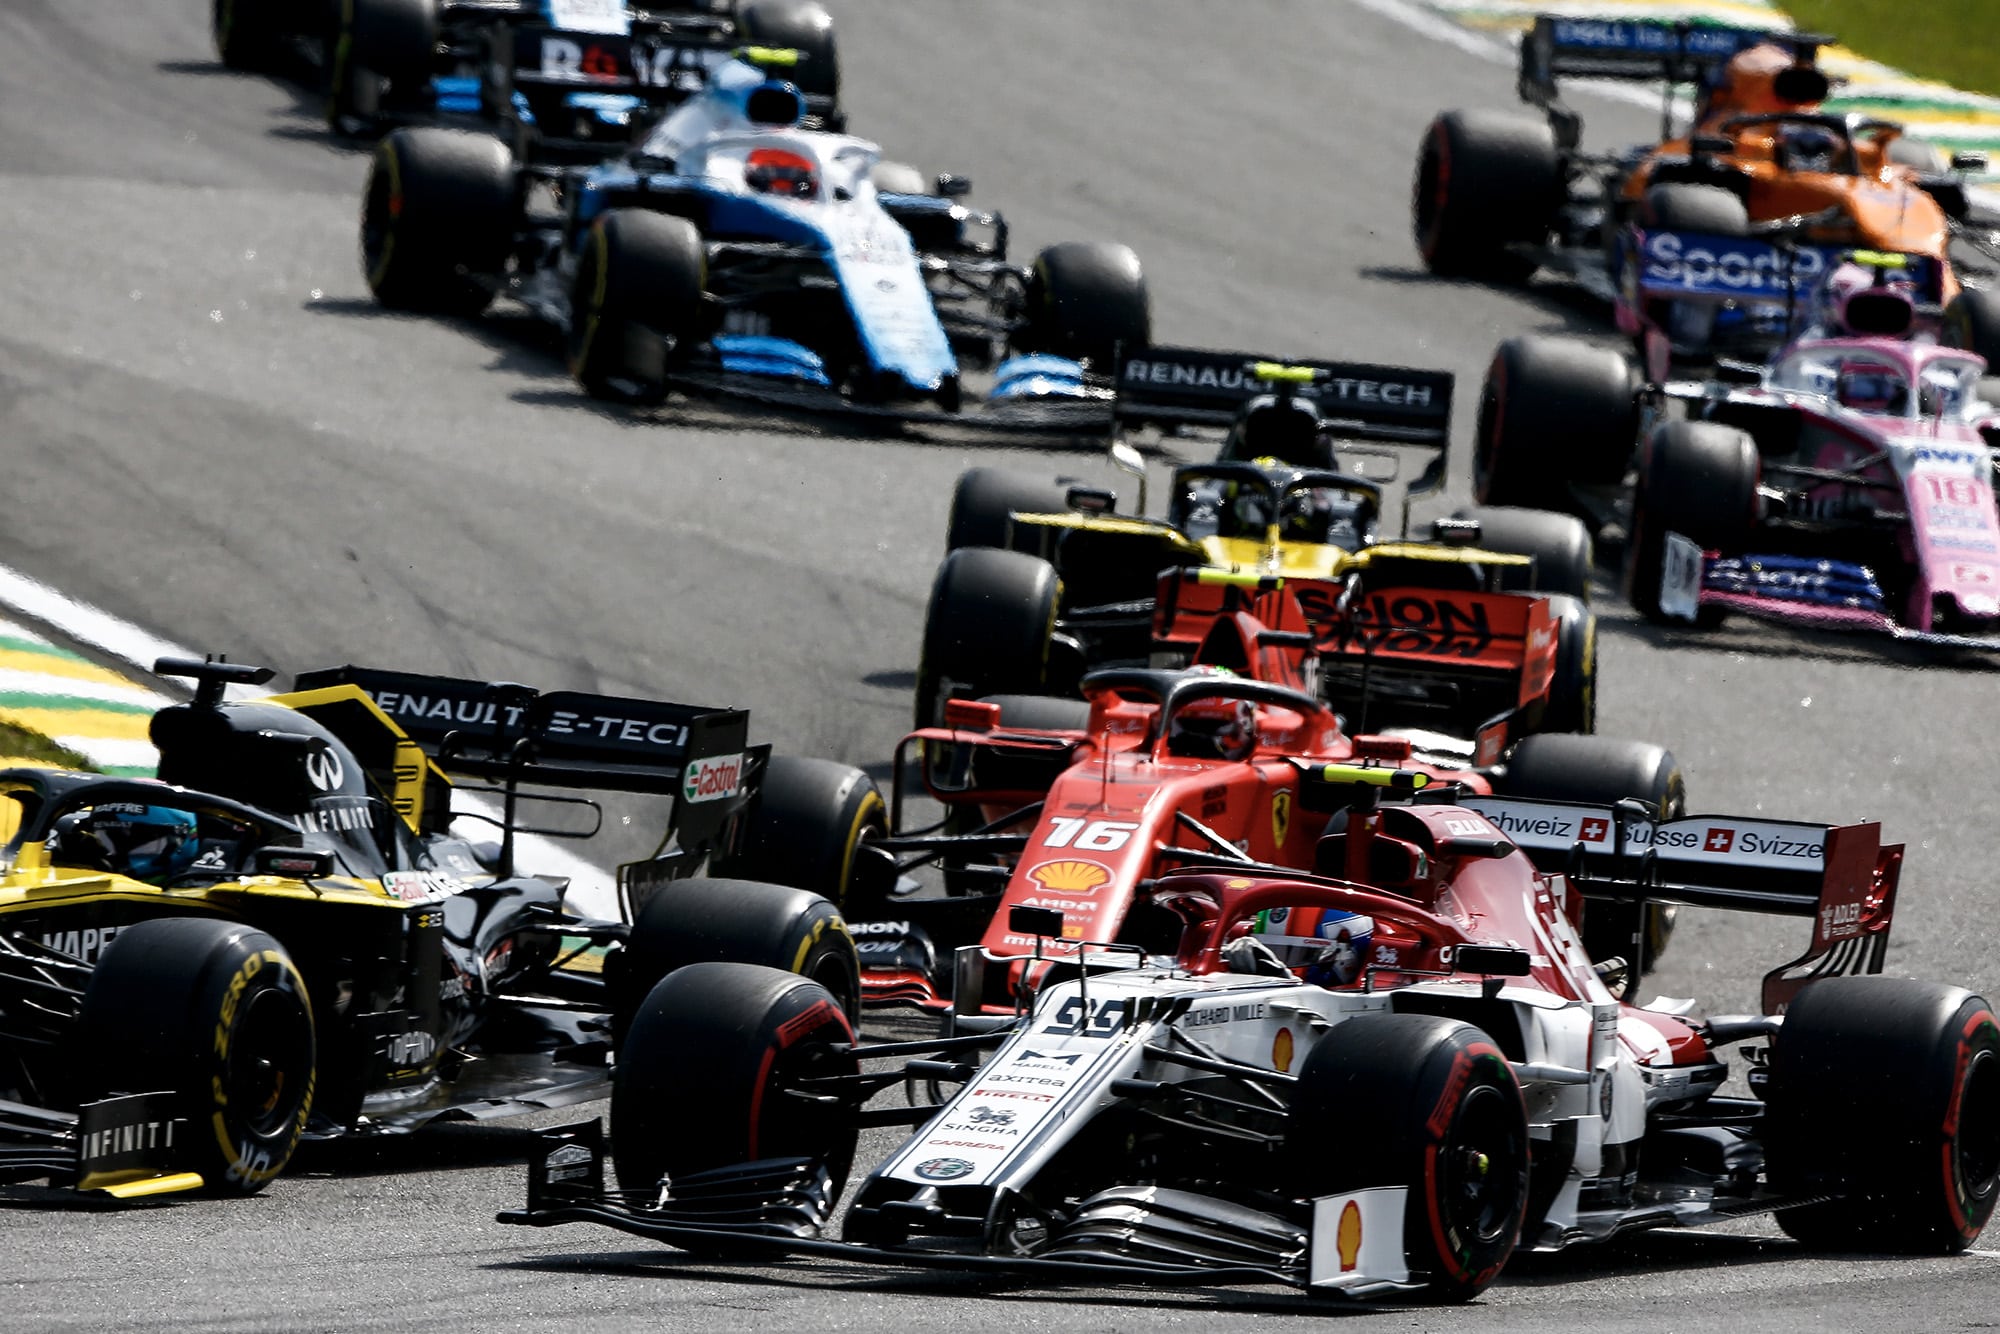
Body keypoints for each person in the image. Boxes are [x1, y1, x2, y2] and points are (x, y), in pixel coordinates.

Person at [48, 803, 201, 885]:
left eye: (139, 839)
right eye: (107, 839)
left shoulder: (202, 898)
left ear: (183, 838)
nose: (119, 854)